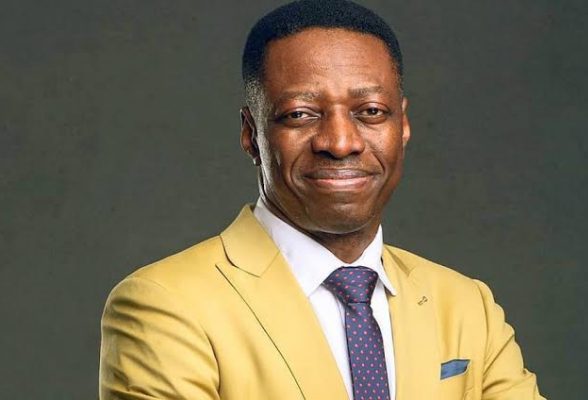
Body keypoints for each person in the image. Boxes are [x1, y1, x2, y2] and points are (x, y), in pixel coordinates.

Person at [99, 1, 545, 399]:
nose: (340, 142)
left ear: (403, 126)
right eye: (300, 114)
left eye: (370, 112)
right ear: (251, 134)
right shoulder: (167, 305)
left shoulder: (466, 305)